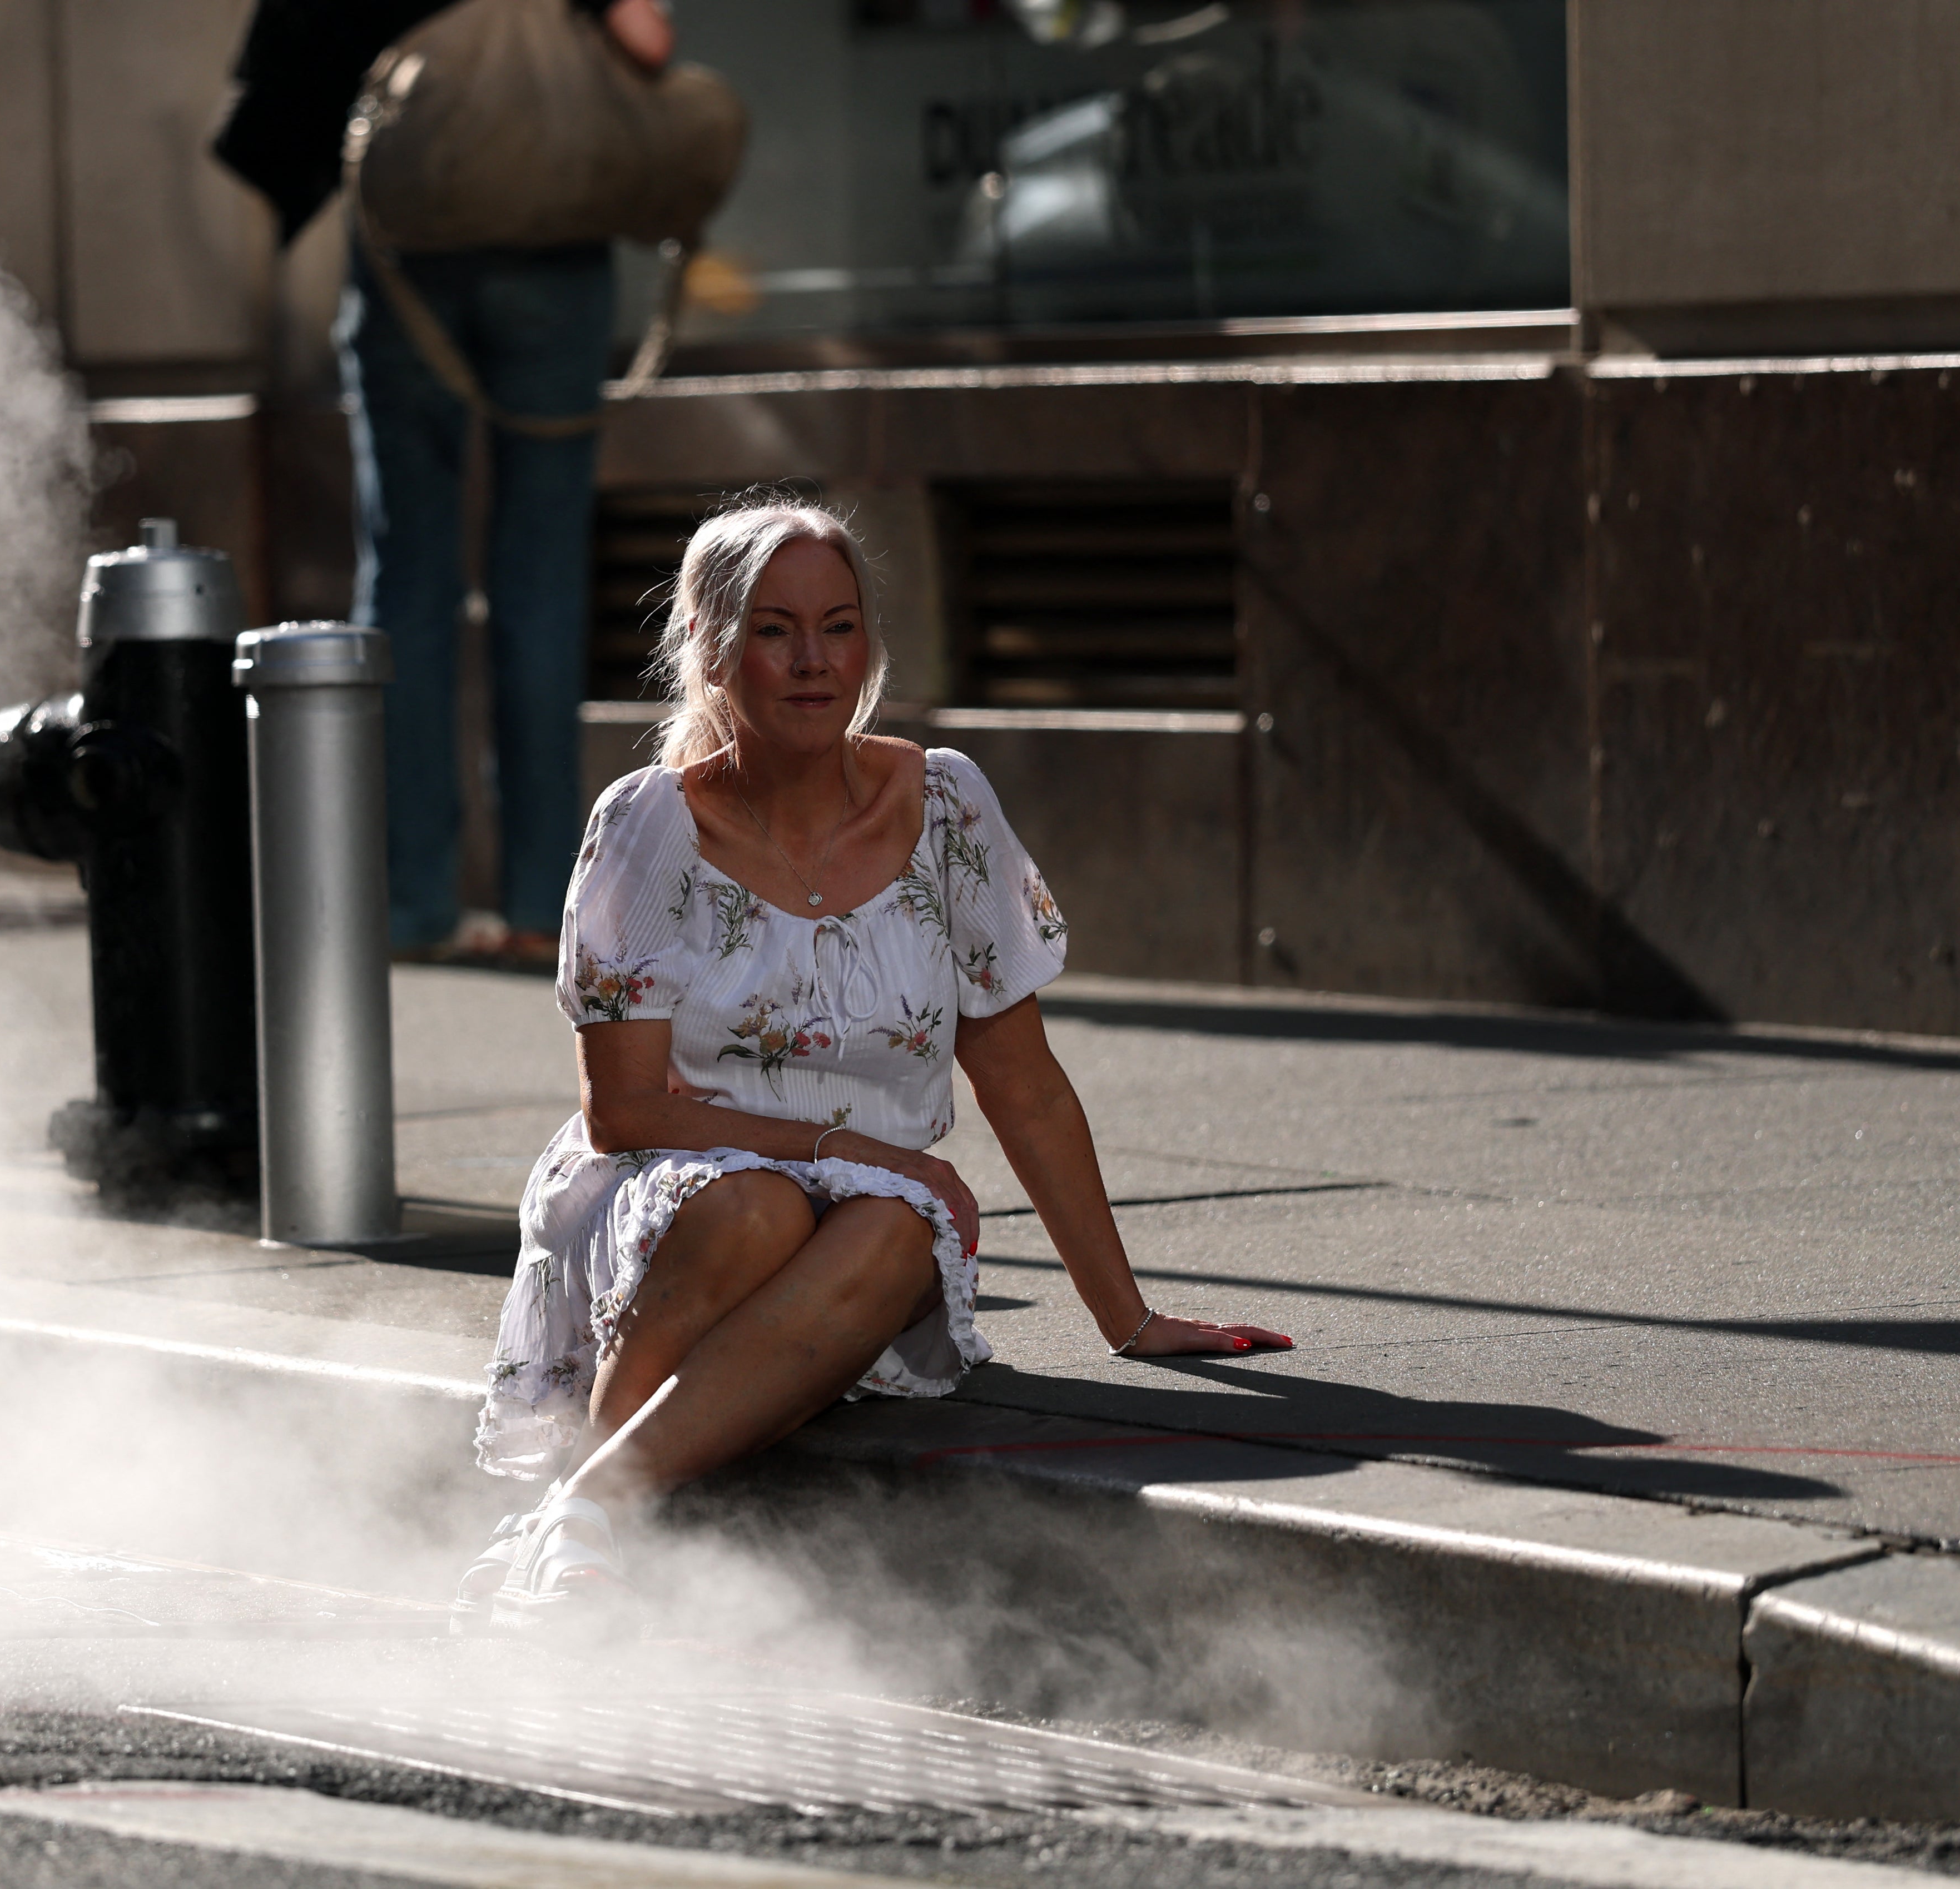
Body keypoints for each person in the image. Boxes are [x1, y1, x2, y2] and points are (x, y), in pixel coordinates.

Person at [459, 495, 1294, 1630]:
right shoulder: (648, 823)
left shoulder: (944, 804)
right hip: (670, 1173)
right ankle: (591, 1523)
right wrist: (837, 1143)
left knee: (903, 1226)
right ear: (707, 650)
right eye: (772, 629)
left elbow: (1023, 1083)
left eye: (838, 626)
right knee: (754, 1212)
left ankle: (581, 1511)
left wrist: (1127, 1316)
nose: (813, 662)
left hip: (864, 1207)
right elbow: (621, 1111)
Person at [214, 0, 677, 966]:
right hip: (553, 248)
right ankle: (543, 904)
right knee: (541, 580)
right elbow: (646, 42)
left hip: (404, 250)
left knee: (407, 574)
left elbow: (289, 63)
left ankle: (412, 898)